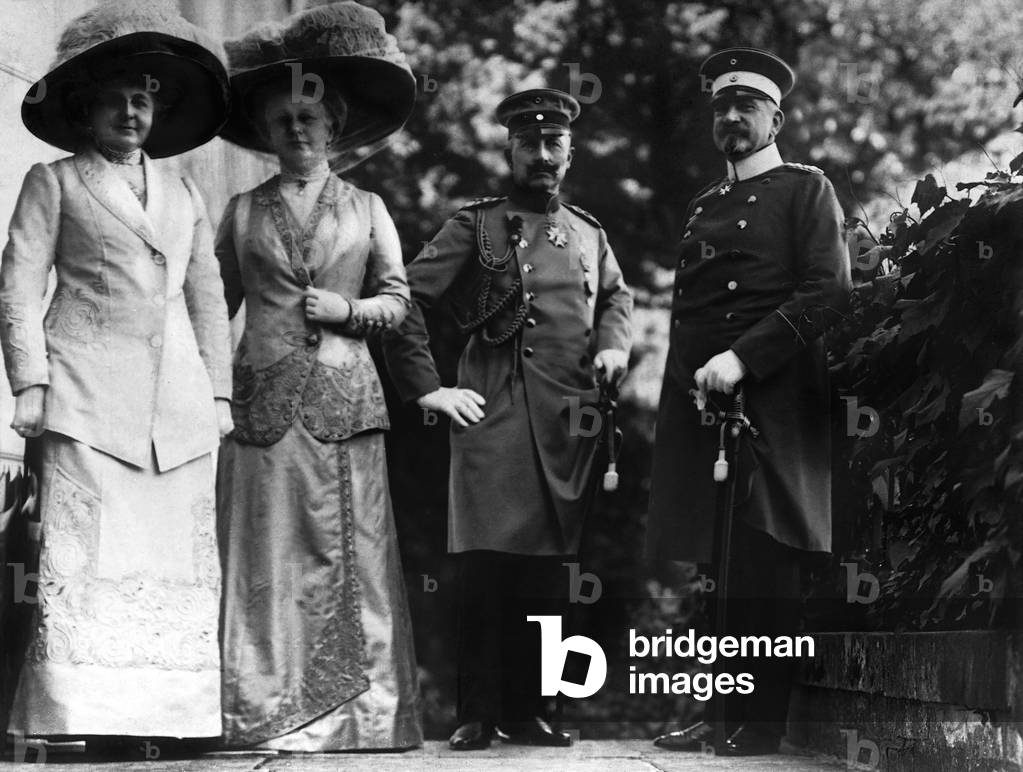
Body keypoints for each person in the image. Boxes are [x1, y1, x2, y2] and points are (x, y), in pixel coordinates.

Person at [0, 0, 232, 743]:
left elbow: (207, 297)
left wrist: (221, 393)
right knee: (87, 558)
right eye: (116, 98)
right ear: (86, 107)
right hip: (86, 397)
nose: (131, 112)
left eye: (143, 99)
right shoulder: (56, 182)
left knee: (170, 565)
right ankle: (79, 717)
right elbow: (18, 284)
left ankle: (166, 720)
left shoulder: (185, 192)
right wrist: (29, 386)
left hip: (179, 411)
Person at [383, 88, 633, 751]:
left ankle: (526, 711)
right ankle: (474, 712)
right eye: (530, 144)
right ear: (510, 151)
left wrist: (613, 344)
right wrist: (428, 390)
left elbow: (615, 296)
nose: (542, 155)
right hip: (493, 412)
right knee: (484, 566)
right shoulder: (478, 225)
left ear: (569, 152)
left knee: (547, 572)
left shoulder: (588, 232)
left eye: (554, 144)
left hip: (568, 422)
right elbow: (407, 300)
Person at [214, 2, 421, 751]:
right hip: (262, 400)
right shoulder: (239, 213)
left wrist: (346, 308)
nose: (295, 130)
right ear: (265, 134)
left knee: (352, 554)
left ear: (332, 125)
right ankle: (261, 713)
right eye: (280, 121)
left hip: (345, 397)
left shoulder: (367, 208)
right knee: (265, 557)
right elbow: (212, 310)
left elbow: (398, 302)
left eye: (308, 117)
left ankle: (362, 719)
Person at [647, 48, 851, 756]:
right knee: (718, 565)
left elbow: (829, 291)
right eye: (721, 108)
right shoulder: (704, 206)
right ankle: (718, 710)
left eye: (747, 107)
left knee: (763, 561)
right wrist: (686, 398)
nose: (731, 118)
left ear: (776, 118)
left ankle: (759, 723)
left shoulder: (805, 191)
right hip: (706, 408)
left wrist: (743, 358)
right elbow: (687, 319)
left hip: (777, 401)